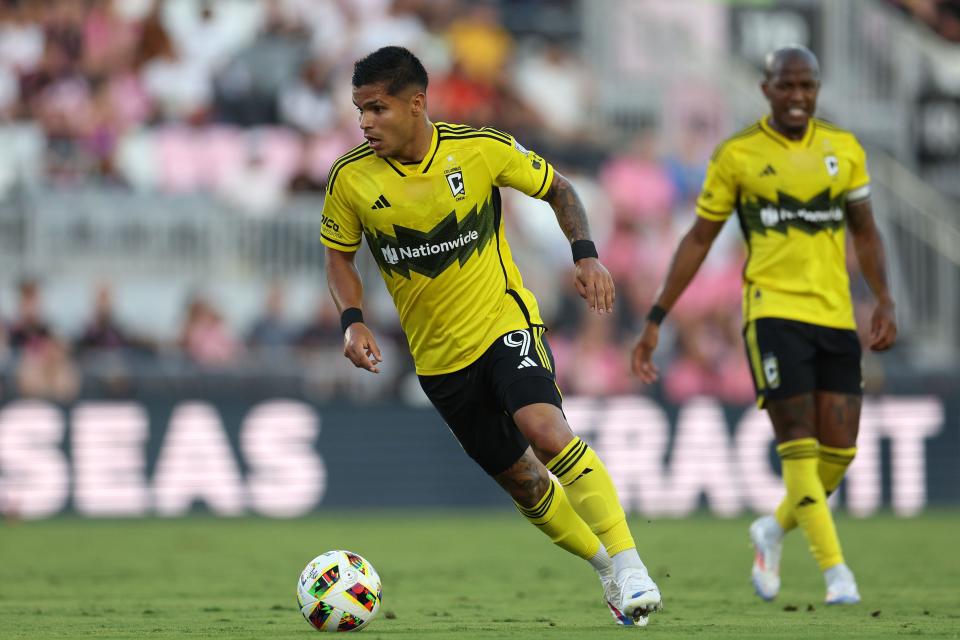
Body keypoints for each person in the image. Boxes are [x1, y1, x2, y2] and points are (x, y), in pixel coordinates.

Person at [321, 46, 661, 626]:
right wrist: (353, 320)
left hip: (503, 323)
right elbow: (339, 259)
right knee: (525, 483)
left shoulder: (479, 149)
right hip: (438, 363)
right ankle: (605, 566)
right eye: (360, 111)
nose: (365, 122)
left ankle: (632, 566)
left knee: (544, 429)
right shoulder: (350, 179)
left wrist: (586, 256)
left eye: (377, 109)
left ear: (416, 103)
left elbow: (560, 189)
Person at [631, 46, 897, 605]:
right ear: (766, 90)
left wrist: (884, 298)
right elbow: (699, 238)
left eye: (808, 86)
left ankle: (773, 528)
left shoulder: (843, 150)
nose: (798, 97)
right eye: (787, 86)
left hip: (834, 313)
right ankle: (836, 572)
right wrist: (658, 315)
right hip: (772, 314)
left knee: (840, 455)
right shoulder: (739, 155)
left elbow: (866, 232)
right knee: (799, 447)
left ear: (817, 89)